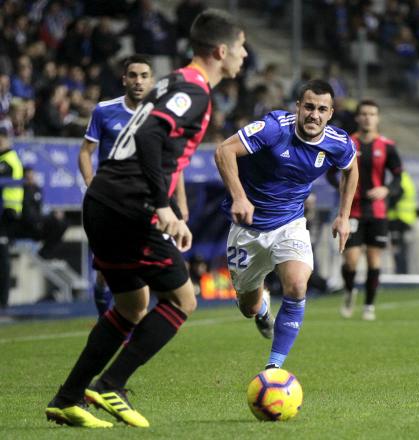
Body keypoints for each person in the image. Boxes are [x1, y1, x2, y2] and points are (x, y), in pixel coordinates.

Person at [46, 9, 247, 428]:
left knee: (132, 304)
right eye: (242, 47)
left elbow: (153, 140)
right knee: (182, 299)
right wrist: (161, 206)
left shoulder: (173, 80)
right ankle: (110, 385)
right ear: (221, 50)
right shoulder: (194, 90)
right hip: (129, 206)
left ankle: (68, 398)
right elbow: (151, 135)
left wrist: (170, 206)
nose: (245, 56)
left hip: (104, 200)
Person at [215, 79, 358, 370]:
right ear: (297, 107)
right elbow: (224, 151)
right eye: (308, 107)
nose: (314, 115)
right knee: (248, 307)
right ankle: (262, 307)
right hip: (248, 228)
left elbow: (351, 169)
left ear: (330, 113)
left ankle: (274, 369)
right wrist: (240, 198)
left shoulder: (338, 142)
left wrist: (344, 216)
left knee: (296, 285)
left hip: (290, 223)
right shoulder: (273, 128)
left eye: (321, 109)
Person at [78, 54, 163, 316]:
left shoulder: (160, 114)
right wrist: (92, 184)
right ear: (124, 79)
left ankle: (129, 321)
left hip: (144, 201)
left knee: (141, 263)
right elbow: (85, 152)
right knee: (106, 270)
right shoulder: (104, 110)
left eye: (144, 76)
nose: (138, 81)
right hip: (109, 201)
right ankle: (105, 312)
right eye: (133, 75)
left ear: (152, 81)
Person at [328, 99, 402, 321]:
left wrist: (386, 189)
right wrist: (342, 188)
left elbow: (398, 176)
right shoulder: (347, 143)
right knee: (350, 260)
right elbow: (331, 172)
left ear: (377, 118)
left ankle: (369, 305)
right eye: (364, 114)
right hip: (353, 210)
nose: (368, 117)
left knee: (373, 260)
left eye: (372, 113)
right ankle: (349, 292)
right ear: (358, 117)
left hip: (378, 212)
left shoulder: (387, 146)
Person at [15, 167, 68, 260]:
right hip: (26, 226)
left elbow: (40, 209)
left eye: (33, 176)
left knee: (63, 223)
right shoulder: (21, 191)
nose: (32, 179)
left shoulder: (37, 189)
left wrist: (53, 214)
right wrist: (48, 217)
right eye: (29, 177)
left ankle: (44, 253)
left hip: (39, 223)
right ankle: (44, 254)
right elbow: (28, 215)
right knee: (55, 221)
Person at [0, 127, 23, 310]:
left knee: (3, 257)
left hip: (7, 212)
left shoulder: (7, 160)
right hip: (6, 211)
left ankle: (4, 299)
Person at [387, 170, 417, 274]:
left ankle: (401, 271)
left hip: (398, 218)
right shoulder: (407, 179)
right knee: (402, 248)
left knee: (398, 247)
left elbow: (394, 197)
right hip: (407, 219)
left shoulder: (400, 180)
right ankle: (403, 270)